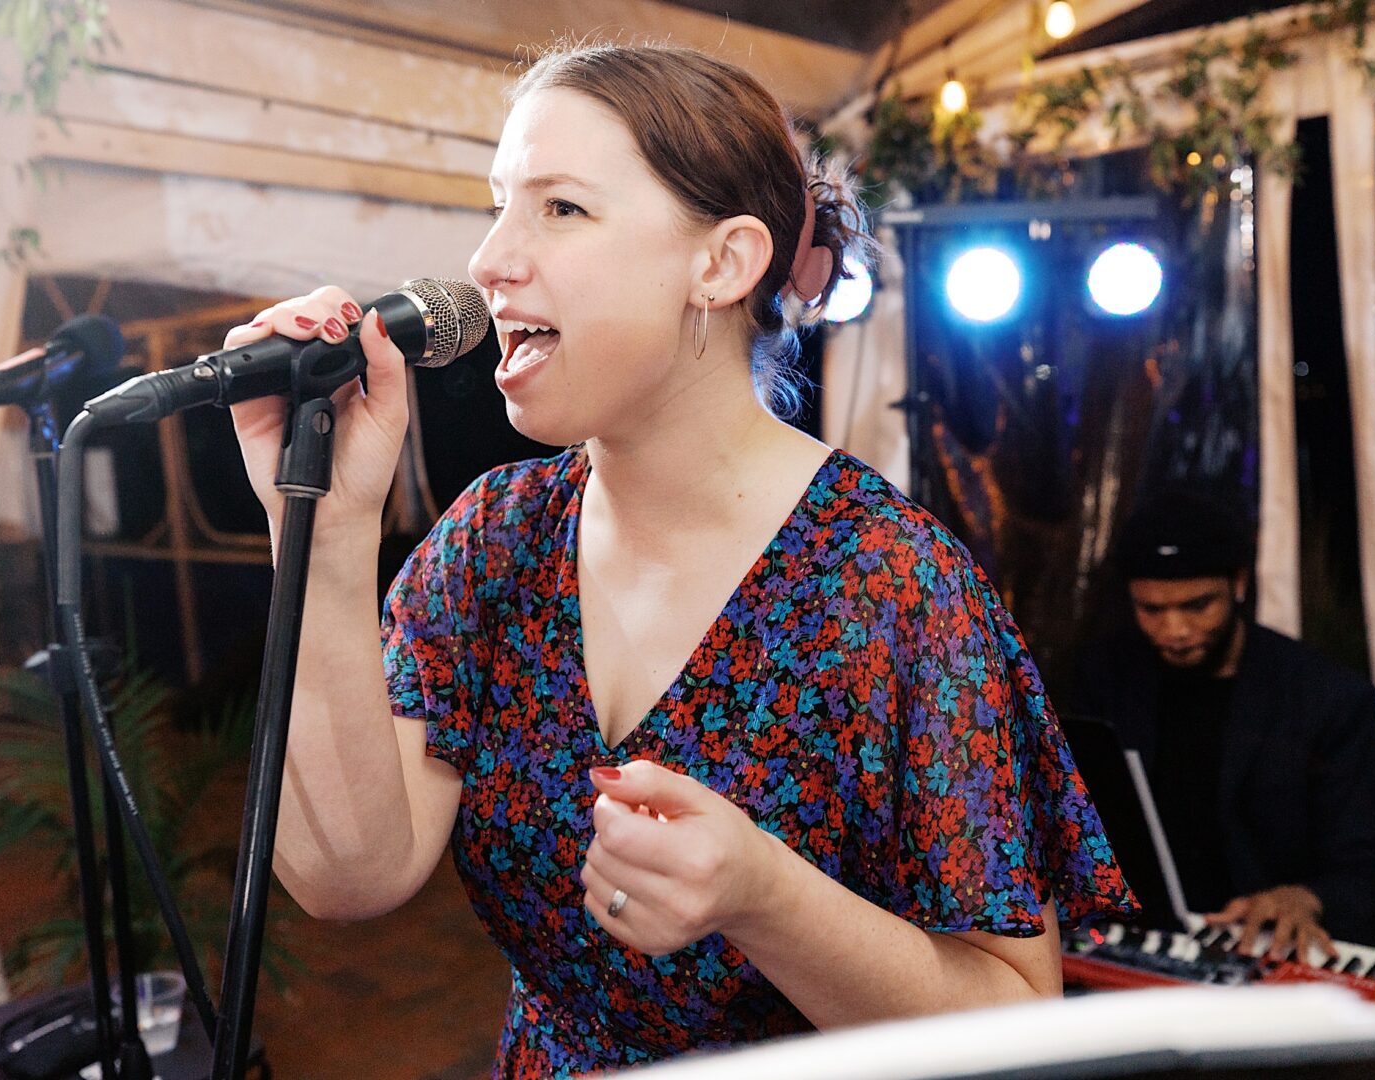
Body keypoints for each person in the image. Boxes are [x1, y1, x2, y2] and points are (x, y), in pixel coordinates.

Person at [224, 41, 1135, 1076]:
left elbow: (1018, 1023)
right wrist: (326, 535)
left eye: (559, 208)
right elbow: (350, 874)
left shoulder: (891, 585)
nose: (488, 260)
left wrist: (766, 896)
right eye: (498, 203)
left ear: (723, 262)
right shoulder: (493, 540)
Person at [1072, 491, 1375, 959]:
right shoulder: (1106, 677)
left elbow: (1373, 877)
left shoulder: (1327, 699)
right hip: (1139, 936)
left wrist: (1307, 898)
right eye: (1151, 610)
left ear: (1239, 584)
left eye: (1197, 605)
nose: (1175, 630)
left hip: (1262, 947)